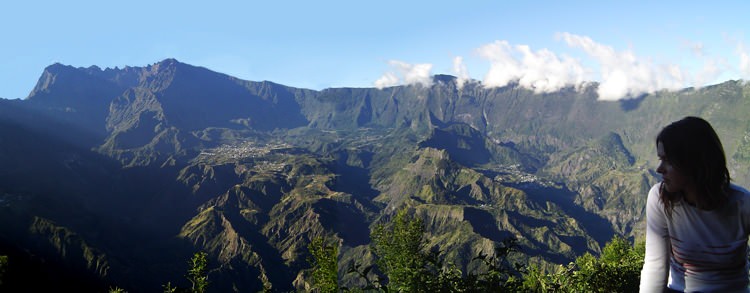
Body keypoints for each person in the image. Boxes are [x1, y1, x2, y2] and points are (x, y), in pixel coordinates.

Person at [640, 116, 750, 292]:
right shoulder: (659, 198)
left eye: (668, 160)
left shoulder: (743, 205)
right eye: (661, 159)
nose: (659, 169)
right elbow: (655, 266)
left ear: (693, 162)